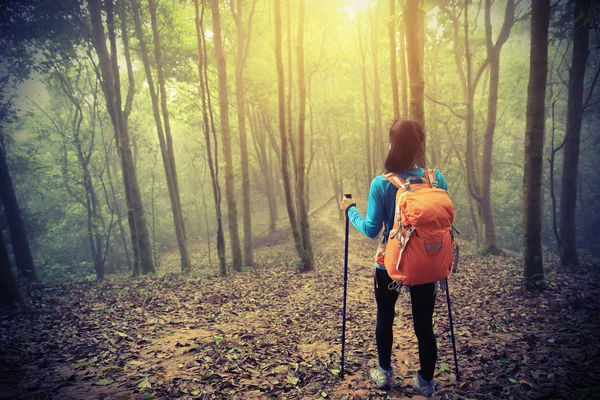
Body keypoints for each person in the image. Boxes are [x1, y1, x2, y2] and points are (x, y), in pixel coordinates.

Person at [340, 119, 447, 396]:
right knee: (424, 322)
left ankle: (384, 373)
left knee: (385, 315)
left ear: (392, 146)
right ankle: (425, 381)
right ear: (418, 146)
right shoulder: (436, 179)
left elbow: (371, 229)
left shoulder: (381, 183)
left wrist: (350, 210)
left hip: (389, 263)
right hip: (426, 263)